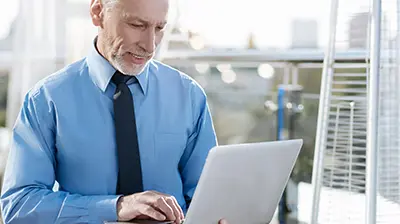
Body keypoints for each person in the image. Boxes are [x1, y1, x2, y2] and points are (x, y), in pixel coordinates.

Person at [0, 0, 229, 223]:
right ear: (98, 12)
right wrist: (116, 207)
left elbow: (207, 197)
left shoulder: (188, 95)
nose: (150, 46)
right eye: (137, 25)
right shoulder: (46, 99)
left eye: (159, 28)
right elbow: (19, 206)